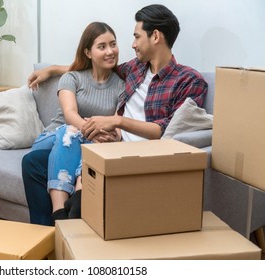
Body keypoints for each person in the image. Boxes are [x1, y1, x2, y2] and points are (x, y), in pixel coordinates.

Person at [23, 4, 208, 226]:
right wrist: (52, 70)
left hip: (129, 154)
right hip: (106, 143)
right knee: (33, 162)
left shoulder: (189, 81)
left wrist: (117, 121)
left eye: (137, 37)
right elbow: (94, 66)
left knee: (43, 163)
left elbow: (167, 130)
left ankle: (65, 231)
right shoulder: (135, 69)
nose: (132, 44)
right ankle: (48, 236)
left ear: (155, 36)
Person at [25, 21, 125, 226]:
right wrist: (94, 132)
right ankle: (63, 209)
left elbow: (117, 122)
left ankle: (54, 224)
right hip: (55, 137)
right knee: (70, 131)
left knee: (32, 163)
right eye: (102, 46)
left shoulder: (122, 85)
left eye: (113, 44)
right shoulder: (72, 78)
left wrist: (108, 134)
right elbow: (70, 114)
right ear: (88, 52)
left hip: (89, 143)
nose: (110, 51)